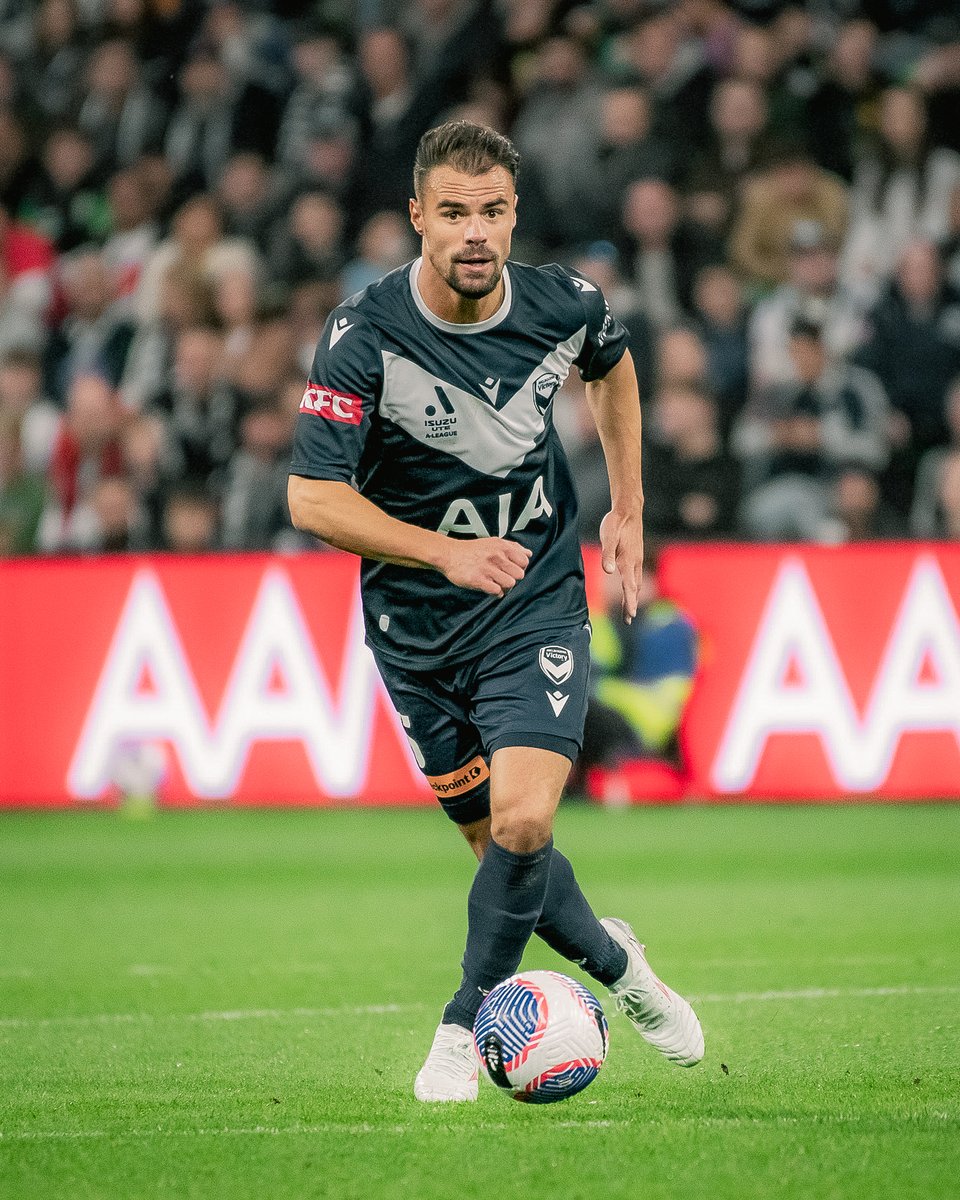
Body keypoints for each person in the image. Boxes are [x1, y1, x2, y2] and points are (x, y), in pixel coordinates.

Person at [287, 121, 704, 1104]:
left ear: (514, 216)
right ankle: (621, 968)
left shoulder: (567, 304)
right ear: (417, 218)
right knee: (499, 850)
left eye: (492, 212)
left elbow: (612, 367)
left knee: (523, 820)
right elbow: (312, 499)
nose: (474, 232)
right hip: (415, 631)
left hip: (532, 603)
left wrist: (629, 505)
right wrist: (443, 550)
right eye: (453, 213)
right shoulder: (364, 336)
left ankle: (460, 1028)